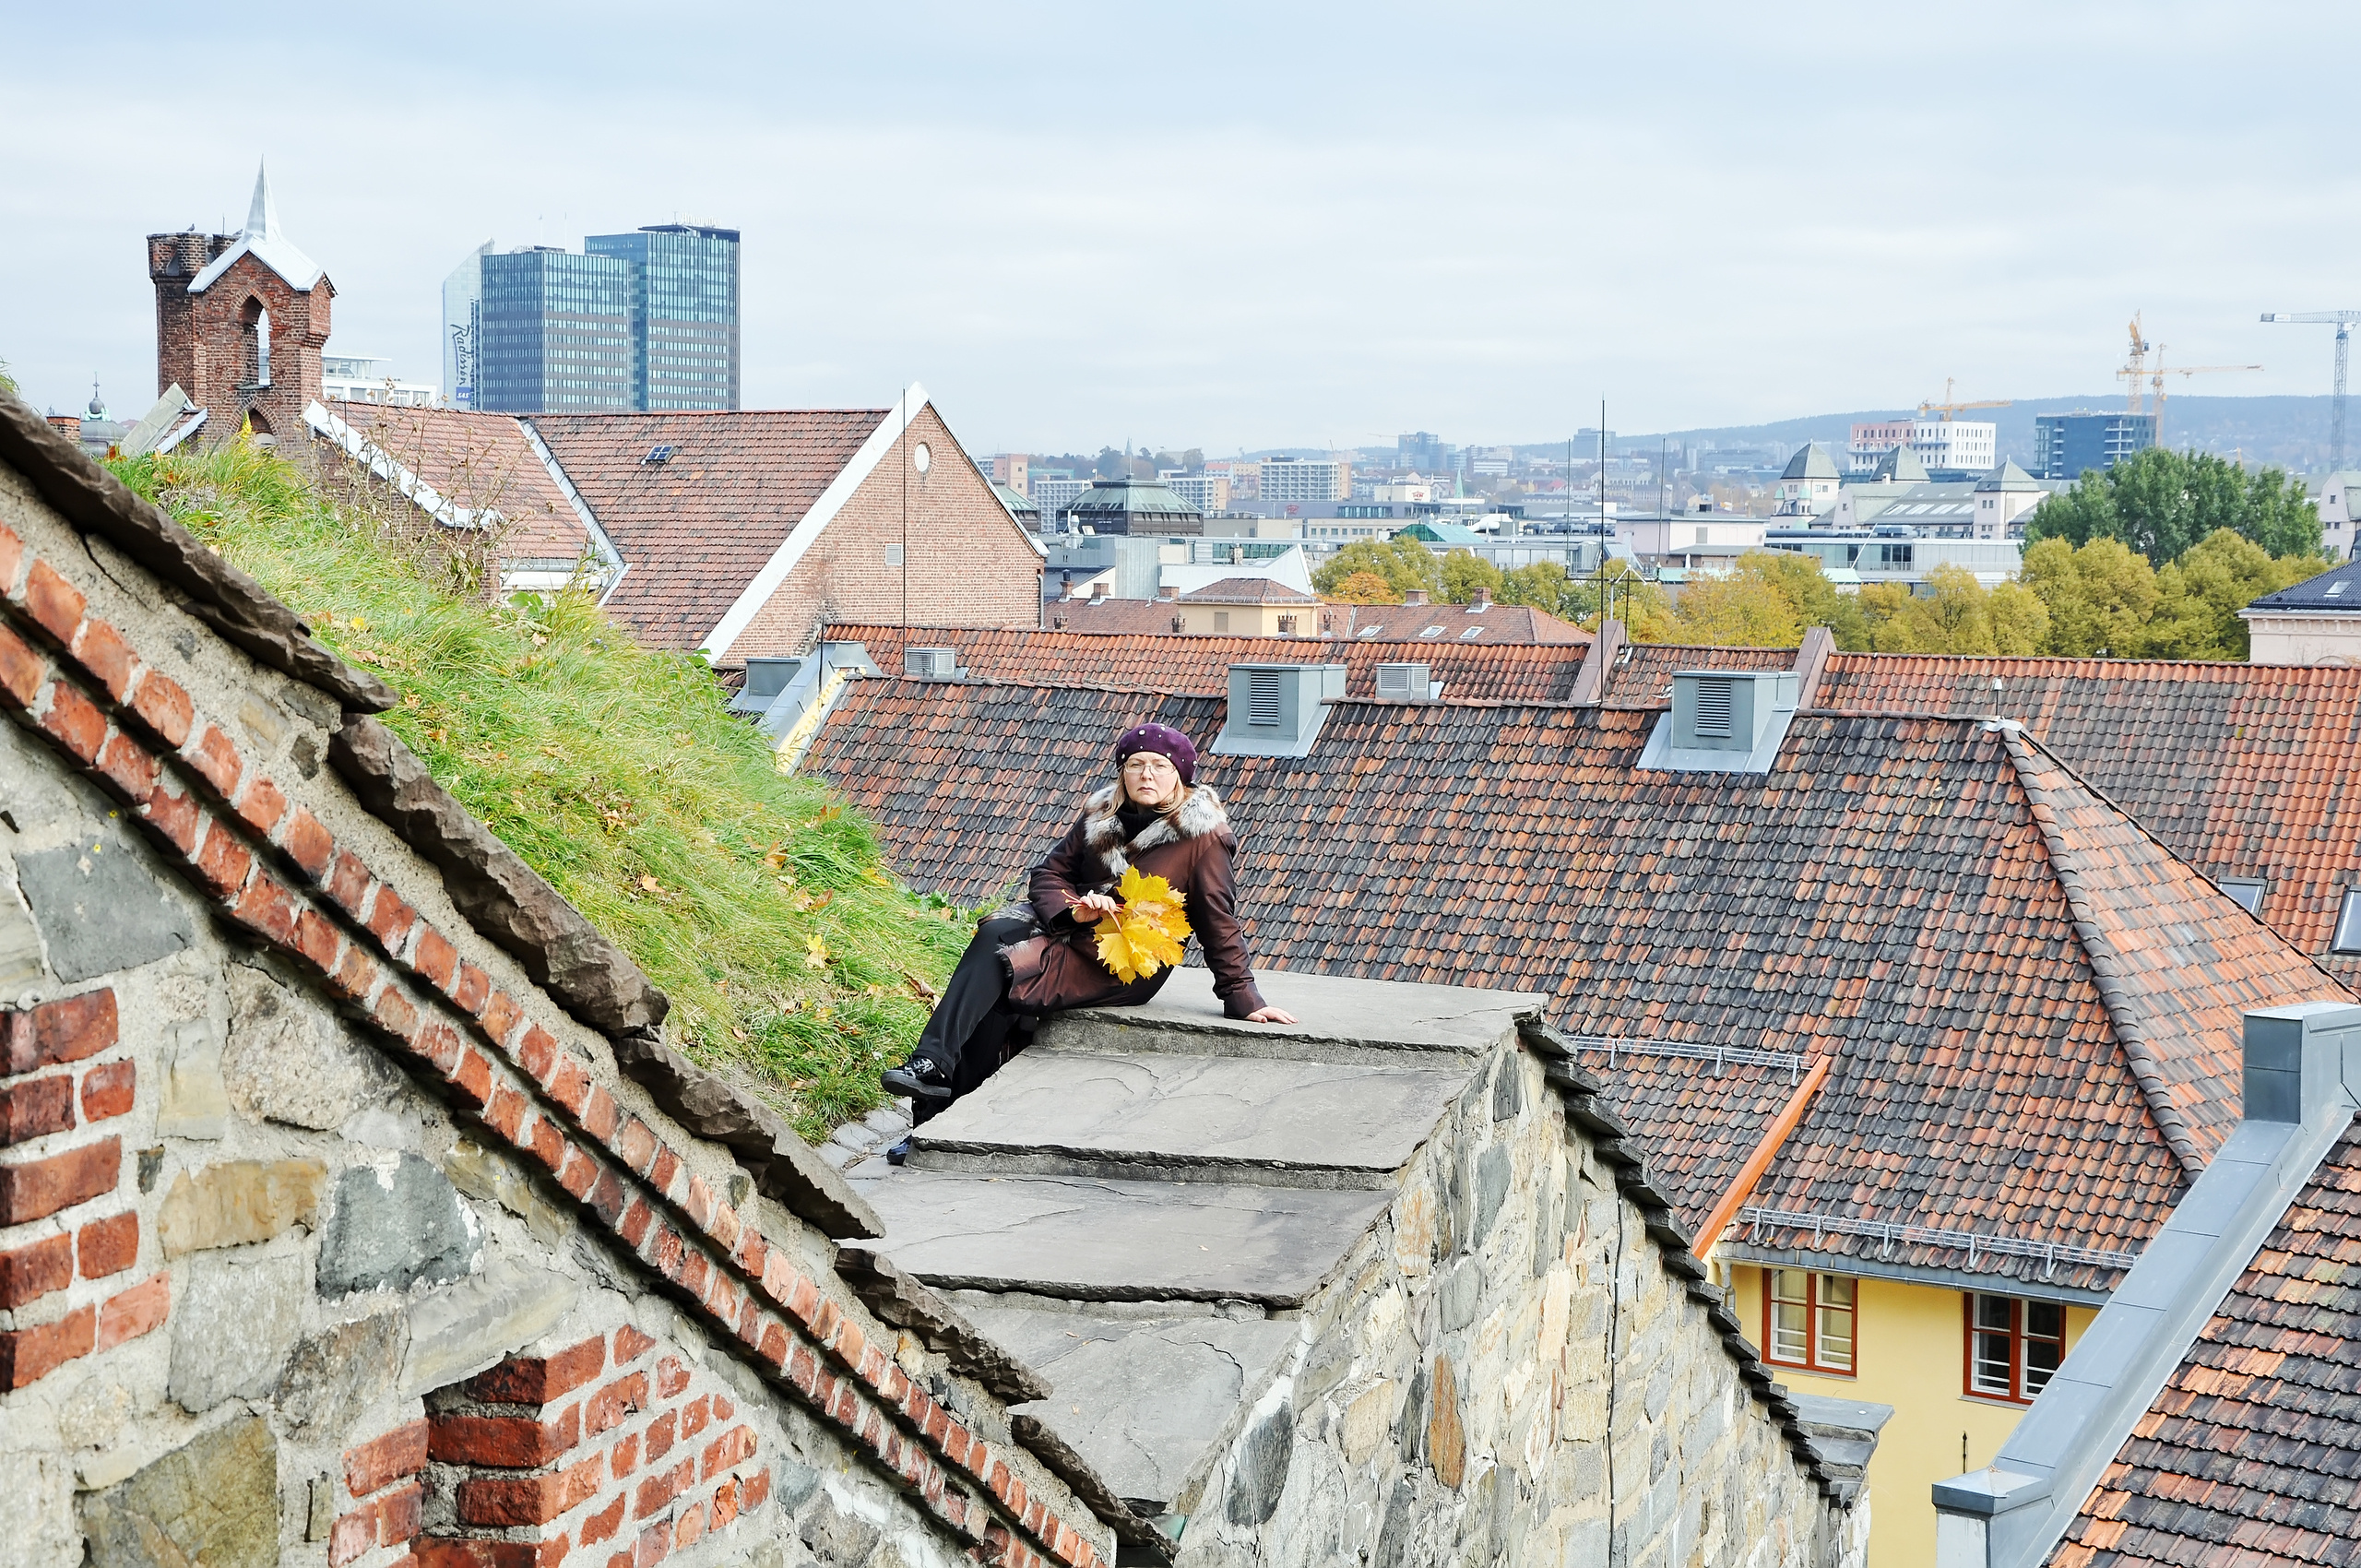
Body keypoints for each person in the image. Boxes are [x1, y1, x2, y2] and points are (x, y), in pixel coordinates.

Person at [880, 722, 1296, 1146]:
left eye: (1159, 766)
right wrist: (1074, 909)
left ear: (1181, 775)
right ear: (1122, 772)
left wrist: (1242, 996)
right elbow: (1050, 873)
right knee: (997, 936)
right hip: (1073, 932)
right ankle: (932, 1087)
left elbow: (1217, 919)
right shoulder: (1101, 816)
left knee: (1002, 974)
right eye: (1135, 765)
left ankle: (931, 1102)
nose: (1146, 775)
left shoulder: (1204, 838)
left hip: (1125, 962)